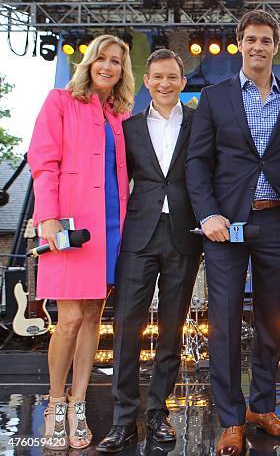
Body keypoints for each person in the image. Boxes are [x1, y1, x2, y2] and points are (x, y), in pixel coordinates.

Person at [185, 10, 280, 456]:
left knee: (270, 321)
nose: (257, 46)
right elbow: (197, 163)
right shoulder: (214, 97)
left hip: (277, 221)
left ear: (275, 45)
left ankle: (261, 407)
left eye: (265, 40)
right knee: (223, 323)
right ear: (238, 43)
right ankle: (230, 420)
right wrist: (207, 215)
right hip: (225, 226)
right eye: (250, 39)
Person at [28, 34, 134, 450]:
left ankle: (78, 404)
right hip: (70, 225)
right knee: (69, 319)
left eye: (116, 62)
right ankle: (55, 403)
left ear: (124, 72)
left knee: (93, 318)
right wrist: (48, 217)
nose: (108, 66)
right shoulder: (60, 101)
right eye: (102, 59)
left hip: (110, 226)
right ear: (89, 62)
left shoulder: (120, 115)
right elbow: (43, 159)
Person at [96, 49, 202, 453]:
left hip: (183, 234)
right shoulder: (129, 127)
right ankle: (124, 418)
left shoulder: (198, 123)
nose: (165, 83)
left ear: (182, 81)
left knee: (172, 329)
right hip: (138, 235)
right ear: (146, 81)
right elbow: (112, 178)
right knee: (127, 327)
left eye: (172, 77)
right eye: (157, 77)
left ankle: (158, 412)